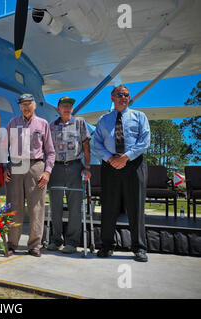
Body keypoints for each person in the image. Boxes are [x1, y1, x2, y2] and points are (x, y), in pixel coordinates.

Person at [93, 85, 150, 262]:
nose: (123, 97)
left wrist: (126, 157)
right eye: (120, 94)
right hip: (110, 166)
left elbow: (144, 141)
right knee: (109, 207)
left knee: (136, 207)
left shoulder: (139, 117)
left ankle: (139, 247)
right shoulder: (103, 120)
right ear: (112, 97)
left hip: (134, 165)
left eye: (126, 95)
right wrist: (111, 159)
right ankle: (107, 245)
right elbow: (96, 143)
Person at [3, 93, 55, 257]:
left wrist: (47, 171)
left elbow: (51, 152)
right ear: (19, 106)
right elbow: (4, 148)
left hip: (36, 166)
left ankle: (34, 245)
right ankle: (12, 244)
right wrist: (5, 167)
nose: (26, 107)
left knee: (36, 208)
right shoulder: (13, 123)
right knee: (14, 206)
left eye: (28, 104)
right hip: (16, 166)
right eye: (22, 104)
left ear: (34, 105)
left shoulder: (43, 124)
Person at [48, 96, 91, 254]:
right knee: (55, 206)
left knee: (75, 207)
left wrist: (87, 167)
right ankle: (56, 239)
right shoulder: (51, 126)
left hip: (75, 167)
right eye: (64, 106)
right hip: (56, 168)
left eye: (70, 106)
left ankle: (72, 242)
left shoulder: (79, 122)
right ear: (58, 109)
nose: (67, 108)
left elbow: (86, 146)